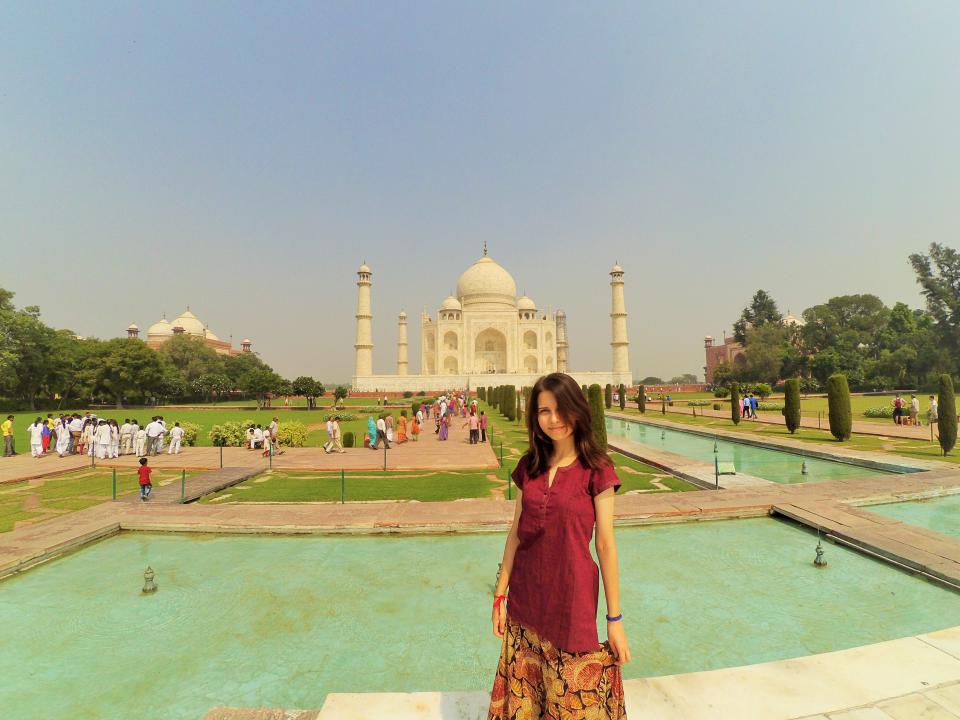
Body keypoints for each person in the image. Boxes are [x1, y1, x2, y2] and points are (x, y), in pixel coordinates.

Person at [488, 372, 628, 718]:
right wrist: (500, 595)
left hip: (571, 604)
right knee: (527, 703)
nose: (554, 419)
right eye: (544, 411)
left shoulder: (596, 469)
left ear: (577, 409)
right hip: (525, 602)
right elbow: (516, 533)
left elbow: (605, 545)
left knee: (575, 704)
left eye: (561, 409)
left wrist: (614, 619)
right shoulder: (530, 466)